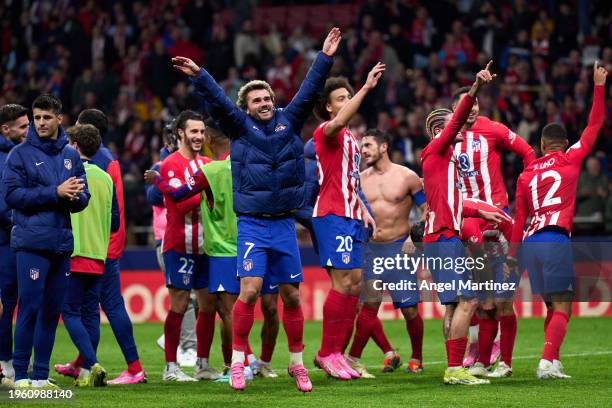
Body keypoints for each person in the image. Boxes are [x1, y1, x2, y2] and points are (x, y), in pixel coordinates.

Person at [167, 27, 342, 392]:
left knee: (291, 295)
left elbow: (309, 88)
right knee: (249, 290)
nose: (263, 103)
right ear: (246, 107)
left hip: (282, 225)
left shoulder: (288, 120)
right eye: (256, 100)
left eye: (267, 98)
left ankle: (296, 364)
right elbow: (217, 101)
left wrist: (324, 58)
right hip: (251, 225)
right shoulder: (240, 128)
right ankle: (237, 362)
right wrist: (200, 75)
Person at [509, 62, 608, 379]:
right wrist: (598, 86)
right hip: (555, 239)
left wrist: (513, 257)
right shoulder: (570, 158)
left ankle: (554, 361)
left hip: (530, 244)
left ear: (540, 146)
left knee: (551, 306)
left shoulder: (526, 174)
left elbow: (519, 218)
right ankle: (545, 361)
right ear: (564, 143)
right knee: (565, 306)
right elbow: (593, 128)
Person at [421, 63, 503, 385]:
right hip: (444, 238)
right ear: (438, 131)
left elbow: (452, 202)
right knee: (468, 300)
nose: (459, 130)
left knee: (454, 304)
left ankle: (453, 367)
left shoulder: (444, 162)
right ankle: (455, 368)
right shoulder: (437, 149)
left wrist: (480, 212)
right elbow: (457, 119)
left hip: (441, 236)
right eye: (451, 126)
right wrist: (475, 88)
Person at [2, 94, 90, 389]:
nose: (40, 123)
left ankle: (40, 376)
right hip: (31, 244)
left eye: (46, 117)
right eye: (36, 117)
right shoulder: (19, 155)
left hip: (61, 243)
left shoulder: (71, 155)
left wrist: (76, 196)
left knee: (52, 311)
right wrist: (56, 192)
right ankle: (21, 375)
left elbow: (83, 197)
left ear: (58, 119)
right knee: (29, 307)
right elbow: (12, 197)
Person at [55, 109, 146, 385]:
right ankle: (82, 365)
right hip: (102, 243)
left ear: (83, 132)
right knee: (91, 309)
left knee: (108, 305)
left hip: (94, 245)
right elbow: (115, 210)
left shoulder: (86, 163)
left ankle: (133, 367)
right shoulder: (110, 162)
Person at [450, 83, 535, 369]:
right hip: (468, 217)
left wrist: (528, 189)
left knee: (499, 302)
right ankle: (481, 360)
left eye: (474, 103)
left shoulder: (493, 129)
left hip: (498, 218)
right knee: (482, 304)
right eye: (466, 104)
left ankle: (504, 363)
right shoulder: (447, 137)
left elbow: (527, 152)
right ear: (455, 110)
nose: (472, 108)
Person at [311, 66, 383, 380]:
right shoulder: (327, 130)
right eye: (341, 98)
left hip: (352, 216)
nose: (347, 101)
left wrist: (364, 209)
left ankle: (337, 353)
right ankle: (326, 352)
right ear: (329, 106)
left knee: (355, 283)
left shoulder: (353, 139)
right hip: (332, 215)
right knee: (341, 284)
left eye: (349, 96)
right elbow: (339, 122)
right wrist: (366, 88)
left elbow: (350, 181)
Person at [347, 128, 427, 378]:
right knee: (369, 305)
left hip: (400, 249)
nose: (364, 150)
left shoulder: (408, 177)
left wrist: (415, 239)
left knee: (410, 310)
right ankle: (354, 358)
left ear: (383, 147)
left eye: (368, 145)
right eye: (362, 146)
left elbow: (427, 210)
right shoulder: (359, 179)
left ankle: (417, 357)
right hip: (371, 249)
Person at [62, 124, 119, 387]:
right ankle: (85, 373)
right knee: (90, 314)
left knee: (69, 311)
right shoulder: (106, 178)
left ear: (74, 146)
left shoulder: (69, 174)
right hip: (98, 254)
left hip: (74, 251)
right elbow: (114, 221)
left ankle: (93, 362)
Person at [146, 120, 199, 370]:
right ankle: (188, 347)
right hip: (167, 238)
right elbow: (153, 196)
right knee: (184, 297)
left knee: (204, 297)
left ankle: (172, 337)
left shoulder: (196, 163)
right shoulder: (163, 166)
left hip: (197, 238)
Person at [0, 104, 29, 384]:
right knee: (8, 303)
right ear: (5, 129)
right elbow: (3, 205)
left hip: (18, 238)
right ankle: (7, 361)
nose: (27, 131)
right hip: (7, 241)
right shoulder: (6, 158)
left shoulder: (23, 152)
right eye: (22, 127)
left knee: (21, 301)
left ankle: (15, 360)